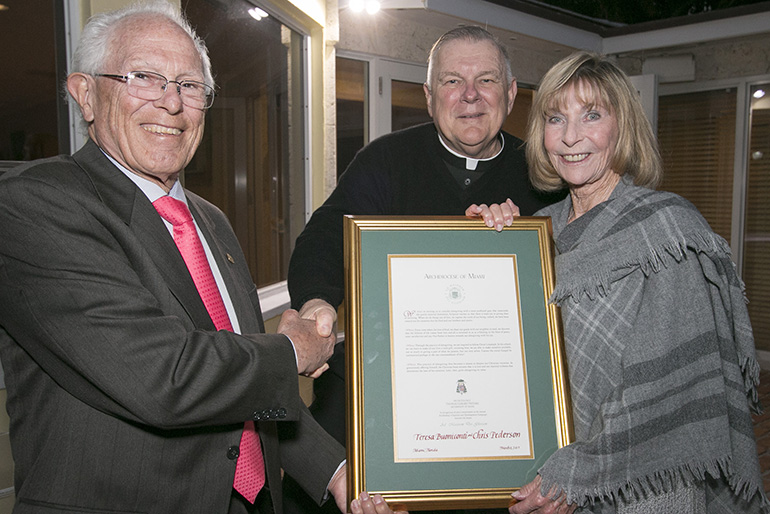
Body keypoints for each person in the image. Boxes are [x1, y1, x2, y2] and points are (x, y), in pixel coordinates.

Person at [0, 3, 402, 514]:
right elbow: (162, 375)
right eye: (144, 77)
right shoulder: (35, 206)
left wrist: (340, 474)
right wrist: (292, 352)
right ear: (85, 95)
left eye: (190, 86)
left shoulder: (210, 220)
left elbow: (245, 389)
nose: (171, 103)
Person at [468, 51, 769, 513]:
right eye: (555, 118)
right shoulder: (538, 230)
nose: (570, 137)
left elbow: (666, 396)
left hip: (647, 489)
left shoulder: (667, 232)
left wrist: (583, 472)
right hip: (547, 480)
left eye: (592, 115)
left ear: (622, 126)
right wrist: (481, 245)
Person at [283, 25, 563, 514]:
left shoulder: (542, 171)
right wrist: (317, 304)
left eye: (487, 80)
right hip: (388, 404)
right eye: (453, 81)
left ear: (513, 93)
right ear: (429, 97)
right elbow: (324, 237)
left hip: (497, 419)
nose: (471, 95)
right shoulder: (386, 160)